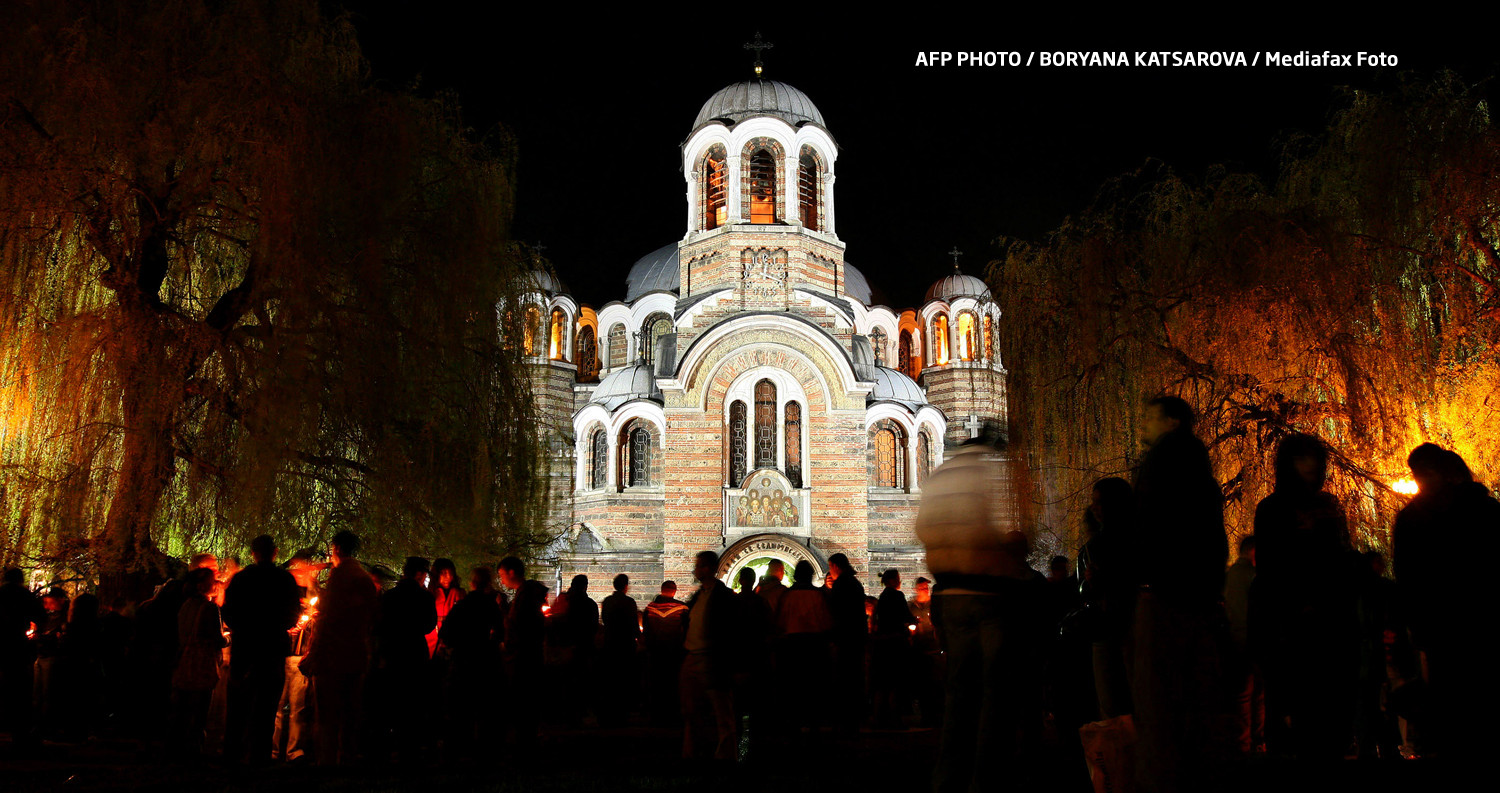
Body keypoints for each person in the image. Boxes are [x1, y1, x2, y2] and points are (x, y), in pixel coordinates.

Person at [914, 423, 1042, 793]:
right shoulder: (975, 472)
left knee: (959, 689)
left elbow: (922, 528)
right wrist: (1001, 553)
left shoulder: (939, 474)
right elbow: (980, 528)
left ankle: (948, 776)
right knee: (994, 690)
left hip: (949, 592)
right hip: (983, 595)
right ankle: (987, 778)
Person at [1129, 395, 1231, 792]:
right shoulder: (1200, 469)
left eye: (1150, 417)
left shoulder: (1161, 463)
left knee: (1160, 700)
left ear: (1172, 422)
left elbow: (1148, 526)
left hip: (1165, 593)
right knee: (1198, 697)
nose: (1143, 424)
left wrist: (1143, 575)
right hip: (1199, 592)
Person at [1393, 443, 1500, 761]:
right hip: (1475, 622)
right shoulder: (1483, 510)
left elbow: (1408, 577)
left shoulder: (1414, 519)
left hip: (1443, 627)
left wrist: (1416, 623)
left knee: (1451, 707)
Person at [221, 534, 301, 766]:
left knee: (238, 703)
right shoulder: (284, 579)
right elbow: (292, 614)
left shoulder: (241, 579)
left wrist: (242, 628)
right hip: (272, 647)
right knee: (267, 704)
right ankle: (260, 756)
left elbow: (228, 612)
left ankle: (233, 753)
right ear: (274, 552)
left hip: (245, 646)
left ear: (253, 553)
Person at [299, 530, 377, 766]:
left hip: (334, 654)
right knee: (351, 711)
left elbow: (330, 617)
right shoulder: (364, 578)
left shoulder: (341, 575)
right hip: (357, 651)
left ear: (338, 549)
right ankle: (348, 757)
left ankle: (327, 760)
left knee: (328, 712)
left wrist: (313, 652)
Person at [1077, 477, 1135, 719]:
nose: (1094, 508)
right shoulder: (1137, 538)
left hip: (1116, 626)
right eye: (1094, 502)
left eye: (1099, 502)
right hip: (1122, 625)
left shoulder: (1100, 546)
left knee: (1113, 702)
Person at [374, 556, 438, 763]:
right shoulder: (425, 597)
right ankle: (410, 749)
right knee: (414, 703)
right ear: (419, 574)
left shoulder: (390, 596)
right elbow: (429, 624)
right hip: (415, 652)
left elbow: (380, 625)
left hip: (393, 652)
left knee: (392, 701)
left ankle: (386, 748)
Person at [680, 551, 739, 761]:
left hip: (713, 658)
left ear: (711, 568)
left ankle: (726, 756)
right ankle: (692, 753)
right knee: (690, 709)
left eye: (700, 565)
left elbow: (731, 630)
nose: (696, 570)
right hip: (693, 656)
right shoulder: (698, 596)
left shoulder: (723, 596)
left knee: (721, 709)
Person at [440, 566, 503, 758]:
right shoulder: (492, 606)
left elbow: (445, 633)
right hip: (485, 661)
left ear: (472, 583)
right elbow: (500, 632)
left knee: (461, 707)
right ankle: (484, 750)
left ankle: (459, 748)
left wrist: (455, 645)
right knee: (484, 708)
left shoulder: (462, 605)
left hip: (463, 659)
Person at [774, 560, 833, 734]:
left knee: (794, 688)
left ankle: (794, 725)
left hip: (792, 647)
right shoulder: (820, 596)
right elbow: (827, 622)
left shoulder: (787, 596)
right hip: (815, 646)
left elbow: (780, 622)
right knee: (814, 688)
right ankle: (814, 725)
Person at [171, 568, 225, 755]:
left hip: (184, 663)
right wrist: (228, 638)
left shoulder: (185, 606)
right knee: (200, 709)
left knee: (183, 709)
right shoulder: (209, 608)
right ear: (202, 586)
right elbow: (217, 639)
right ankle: (196, 750)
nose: (216, 584)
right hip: (201, 664)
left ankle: (178, 749)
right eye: (213, 581)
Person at [498, 556, 546, 746]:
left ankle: (525, 743)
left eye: (502, 575)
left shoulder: (525, 597)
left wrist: (503, 611)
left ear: (511, 572)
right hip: (527, 656)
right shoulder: (527, 594)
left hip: (523, 658)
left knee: (523, 702)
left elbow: (520, 626)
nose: (501, 581)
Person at [1222, 535, 1262, 756]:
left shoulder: (1229, 576)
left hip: (1234, 639)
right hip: (1252, 640)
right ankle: (1257, 740)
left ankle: (1242, 742)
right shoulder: (1253, 576)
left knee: (1242, 696)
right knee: (1257, 694)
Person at [825, 552, 867, 732]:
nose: (830, 571)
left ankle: (845, 719)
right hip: (856, 638)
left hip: (844, 639)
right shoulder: (855, 583)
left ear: (835, 566)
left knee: (844, 679)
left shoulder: (841, 585)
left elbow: (835, 612)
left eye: (830, 567)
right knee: (855, 678)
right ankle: (855, 718)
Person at [0, 569, 42, 744]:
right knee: (20, 689)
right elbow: (40, 617)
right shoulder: (26, 596)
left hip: (3, 645)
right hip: (19, 647)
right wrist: (33, 631)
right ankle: (20, 730)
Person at [870, 568, 916, 729]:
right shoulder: (897, 595)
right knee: (895, 683)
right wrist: (914, 622)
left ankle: (878, 719)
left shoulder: (882, 597)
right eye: (897, 578)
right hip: (895, 643)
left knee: (882, 684)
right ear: (891, 580)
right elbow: (905, 615)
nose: (899, 581)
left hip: (882, 644)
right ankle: (895, 719)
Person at [551, 574, 598, 726]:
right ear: (585, 586)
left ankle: (563, 715)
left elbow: (554, 621)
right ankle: (577, 714)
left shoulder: (563, 600)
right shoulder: (589, 604)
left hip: (564, 647)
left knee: (564, 682)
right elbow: (593, 627)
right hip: (582, 648)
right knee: (580, 683)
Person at [642, 580, 688, 726]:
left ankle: (657, 715)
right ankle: (672, 715)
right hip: (675, 653)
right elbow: (686, 631)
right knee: (673, 685)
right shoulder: (682, 608)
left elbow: (646, 631)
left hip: (655, 653)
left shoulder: (650, 608)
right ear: (674, 591)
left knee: (656, 685)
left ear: (662, 590)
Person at [599, 573, 640, 727]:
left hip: (610, 643)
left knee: (610, 680)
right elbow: (633, 623)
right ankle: (622, 714)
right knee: (623, 680)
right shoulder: (629, 602)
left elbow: (604, 620)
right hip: (625, 645)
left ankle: (609, 713)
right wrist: (639, 638)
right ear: (626, 586)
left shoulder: (607, 601)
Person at [426, 558, 463, 659]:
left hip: (452, 646)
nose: (448, 577)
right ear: (436, 575)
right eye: (444, 573)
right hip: (430, 644)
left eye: (450, 573)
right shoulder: (429, 595)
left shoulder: (458, 594)